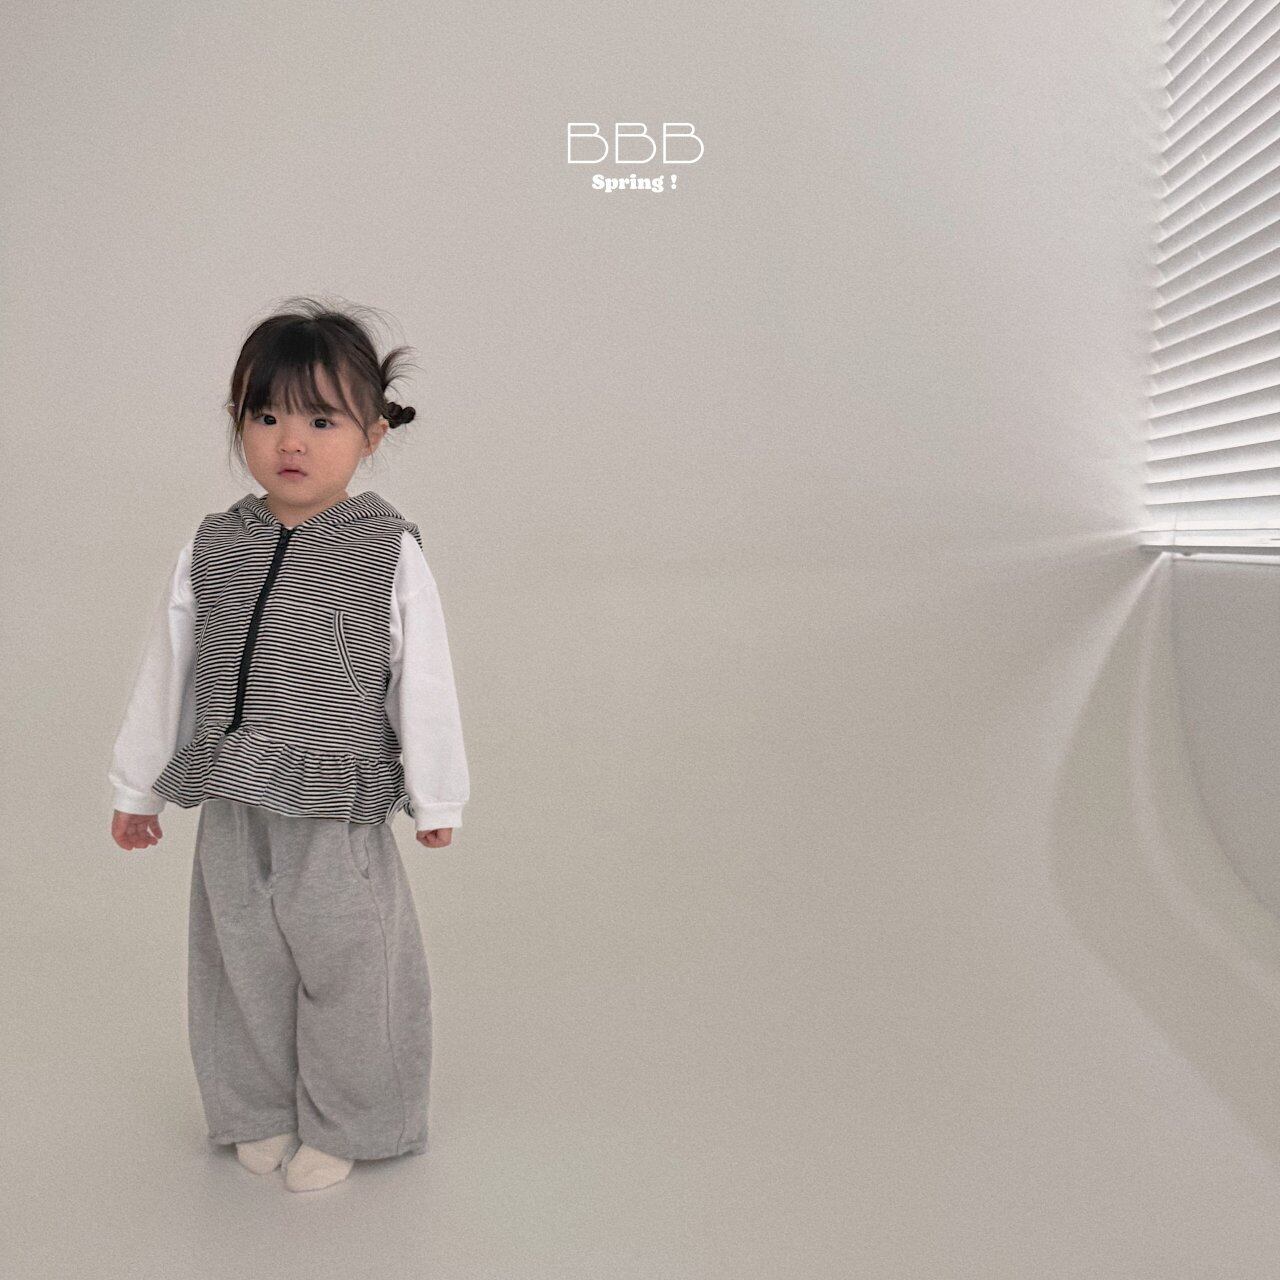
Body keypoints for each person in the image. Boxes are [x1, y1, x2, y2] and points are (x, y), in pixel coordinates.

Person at [106, 298, 470, 1192]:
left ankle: (354, 1119)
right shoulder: (215, 544)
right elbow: (170, 667)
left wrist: (437, 794)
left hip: (333, 800)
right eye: (265, 417)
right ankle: (257, 1108)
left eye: (320, 420)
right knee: (239, 964)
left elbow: (423, 677)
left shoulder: (385, 548)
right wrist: (137, 789)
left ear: (372, 435)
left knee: (353, 967)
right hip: (233, 795)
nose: (290, 441)